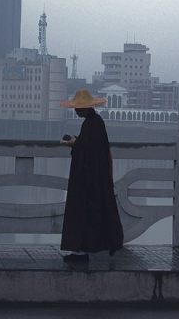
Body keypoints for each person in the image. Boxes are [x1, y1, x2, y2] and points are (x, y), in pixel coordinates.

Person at [59, 89, 123, 262]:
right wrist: (79, 143)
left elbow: (89, 152)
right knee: (92, 214)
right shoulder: (94, 122)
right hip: (95, 178)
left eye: (78, 107)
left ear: (86, 107)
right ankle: (87, 250)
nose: (75, 110)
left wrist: (74, 144)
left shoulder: (92, 124)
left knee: (86, 214)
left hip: (90, 180)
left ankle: (83, 253)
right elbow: (93, 148)